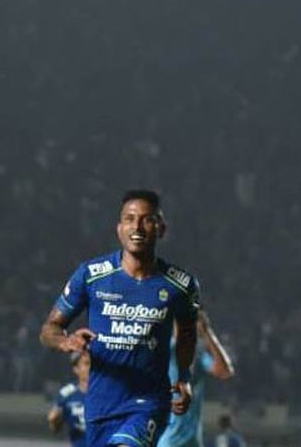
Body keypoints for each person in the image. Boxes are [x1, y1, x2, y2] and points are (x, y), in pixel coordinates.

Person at [40, 189, 200, 446]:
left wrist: (184, 376)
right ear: (119, 228)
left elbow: (188, 333)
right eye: (129, 218)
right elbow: (49, 328)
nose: (137, 226)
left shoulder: (180, 285)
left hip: (148, 402)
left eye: (147, 219)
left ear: (161, 228)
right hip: (101, 404)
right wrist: (65, 342)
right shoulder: (91, 275)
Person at [158, 310, 235, 447]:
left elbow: (225, 371)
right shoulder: (163, 351)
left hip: (192, 442)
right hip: (168, 441)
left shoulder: (197, 355)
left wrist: (208, 334)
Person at [48, 352, 89, 446]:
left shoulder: (107, 392)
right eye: (86, 364)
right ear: (76, 369)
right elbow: (55, 429)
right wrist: (54, 420)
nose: (91, 368)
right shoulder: (66, 393)